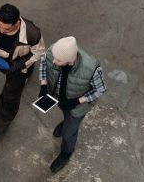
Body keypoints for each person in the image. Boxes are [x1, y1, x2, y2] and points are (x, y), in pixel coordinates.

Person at [0, 4, 45, 142]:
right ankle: (27, 72)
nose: (0, 30)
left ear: (17, 23)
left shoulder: (32, 34)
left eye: (5, 29)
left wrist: (16, 66)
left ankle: (1, 126)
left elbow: (38, 52)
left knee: (10, 97)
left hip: (17, 66)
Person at [38, 36, 107, 173]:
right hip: (61, 100)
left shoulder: (91, 68)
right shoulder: (54, 51)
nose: (54, 61)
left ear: (70, 60)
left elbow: (100, 89)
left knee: (69, 133)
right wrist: (44, 85)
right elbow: (44, 63)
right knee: (65, 114)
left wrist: (77, 101)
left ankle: (66, 153)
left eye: (58, 60)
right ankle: (65, 122)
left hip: (77, 107)